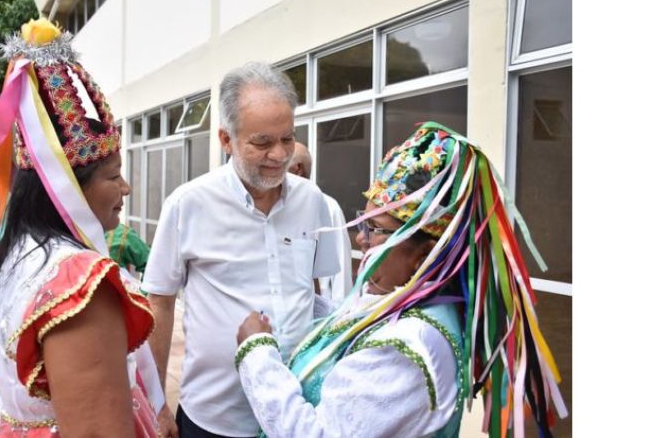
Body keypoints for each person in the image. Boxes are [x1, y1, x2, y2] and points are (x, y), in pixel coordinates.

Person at [235, 122, 568, 437]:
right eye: (362, 223)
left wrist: (257, 352)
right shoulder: (403, 301)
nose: (360, 239)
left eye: (376, 230)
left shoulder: (409, 347)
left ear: (424, 255)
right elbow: (353, 322)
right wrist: (304, 299)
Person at [0, 17, 164, 437]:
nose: (126, 187)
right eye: (112, 175)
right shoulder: (79, 287)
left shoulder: (5, 256)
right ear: (68, 189)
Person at [143, 61, 341, 438]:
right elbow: (161, 302)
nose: (280, 154)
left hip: (296, 413)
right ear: (225, 139)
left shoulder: (312, 200)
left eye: (287, 138)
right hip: (216, 418)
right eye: (262, 142)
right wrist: (156, 404)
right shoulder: (189, 204)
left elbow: (314, 293)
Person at [287, 143, 353, 304]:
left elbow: (341, 270)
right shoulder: (271, 209)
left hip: (318, 313)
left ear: (298, 169)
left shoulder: (328, 207)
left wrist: (339, 317)